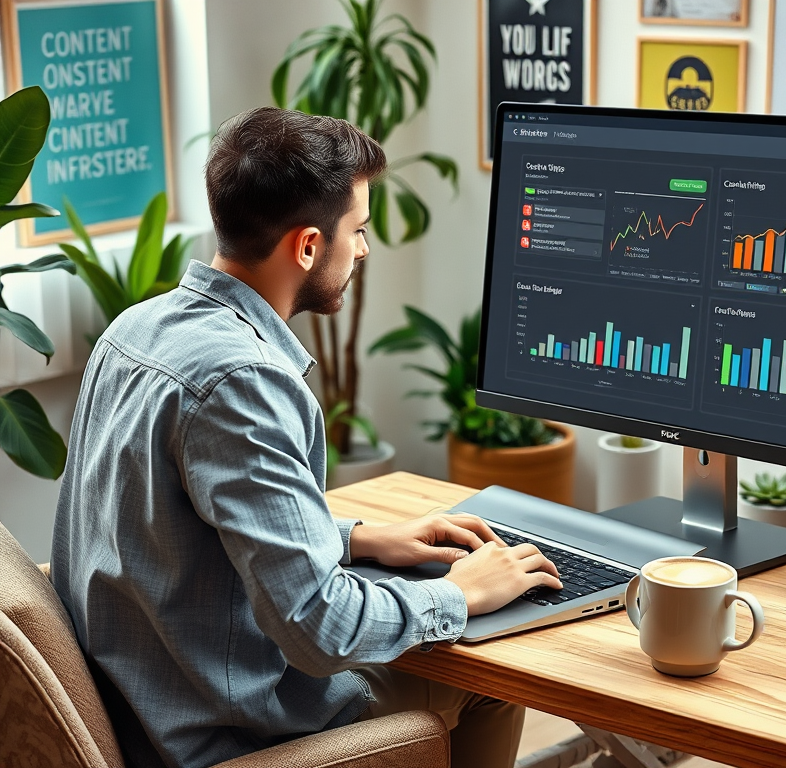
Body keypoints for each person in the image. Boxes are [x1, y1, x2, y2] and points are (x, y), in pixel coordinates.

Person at [50, 106, 563, 768]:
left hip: (141, 701)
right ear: (309, 246)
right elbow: (319, 630)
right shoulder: (243, 381)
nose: (365, 250)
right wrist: (460, 593)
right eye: (358, 230)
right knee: (490, 673)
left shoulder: (134, 331)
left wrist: (355, 538)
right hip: (227, 733)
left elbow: (180, 533)